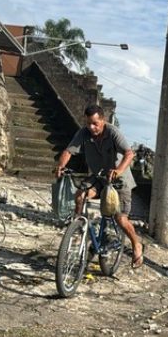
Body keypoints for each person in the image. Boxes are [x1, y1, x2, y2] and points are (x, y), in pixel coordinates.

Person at [55, 105, 144, 269]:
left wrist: (118, 170)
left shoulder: (112, 132)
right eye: (88, 123)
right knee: (80, 196)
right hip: (99, 178)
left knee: (120, 218)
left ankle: (136, 245)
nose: (91, 127)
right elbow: (69, 151)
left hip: (118, 181)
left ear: (103, 120)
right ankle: (77, 228)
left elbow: (129, 153)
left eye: (95, 123)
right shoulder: (83, 133)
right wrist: (60, 166)